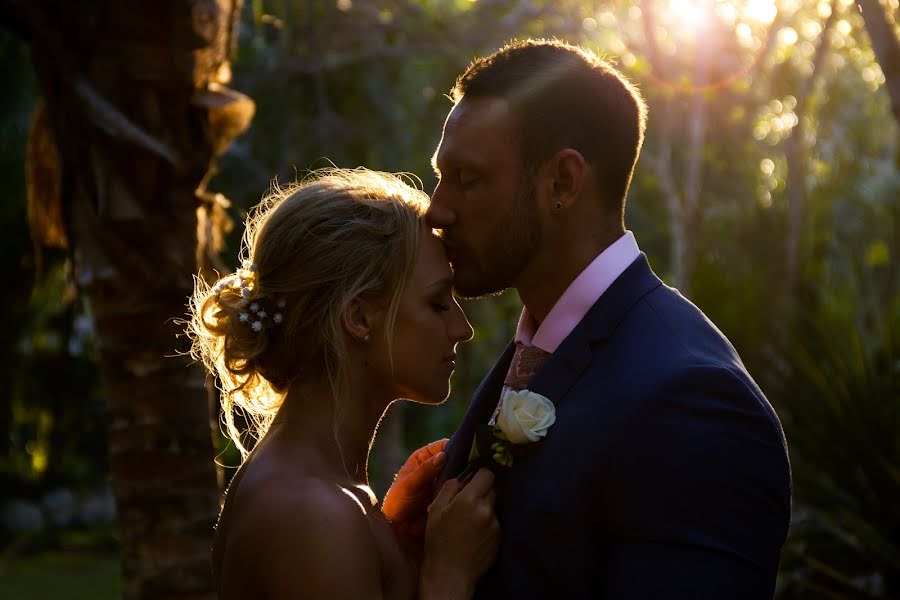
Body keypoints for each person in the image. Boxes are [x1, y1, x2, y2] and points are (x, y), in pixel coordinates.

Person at [393, 39, 792, 598]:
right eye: (443, 175)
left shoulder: (691, 399)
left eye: (468, 177)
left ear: (562, 182)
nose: (437, 207)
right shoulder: (534, 353)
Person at [187, 169, 500, 599]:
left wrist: (401, 548)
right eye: (437, 302)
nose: (462, 329)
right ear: (358, 317)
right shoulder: (311, 513)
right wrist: (448, 577)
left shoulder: (322, 493)